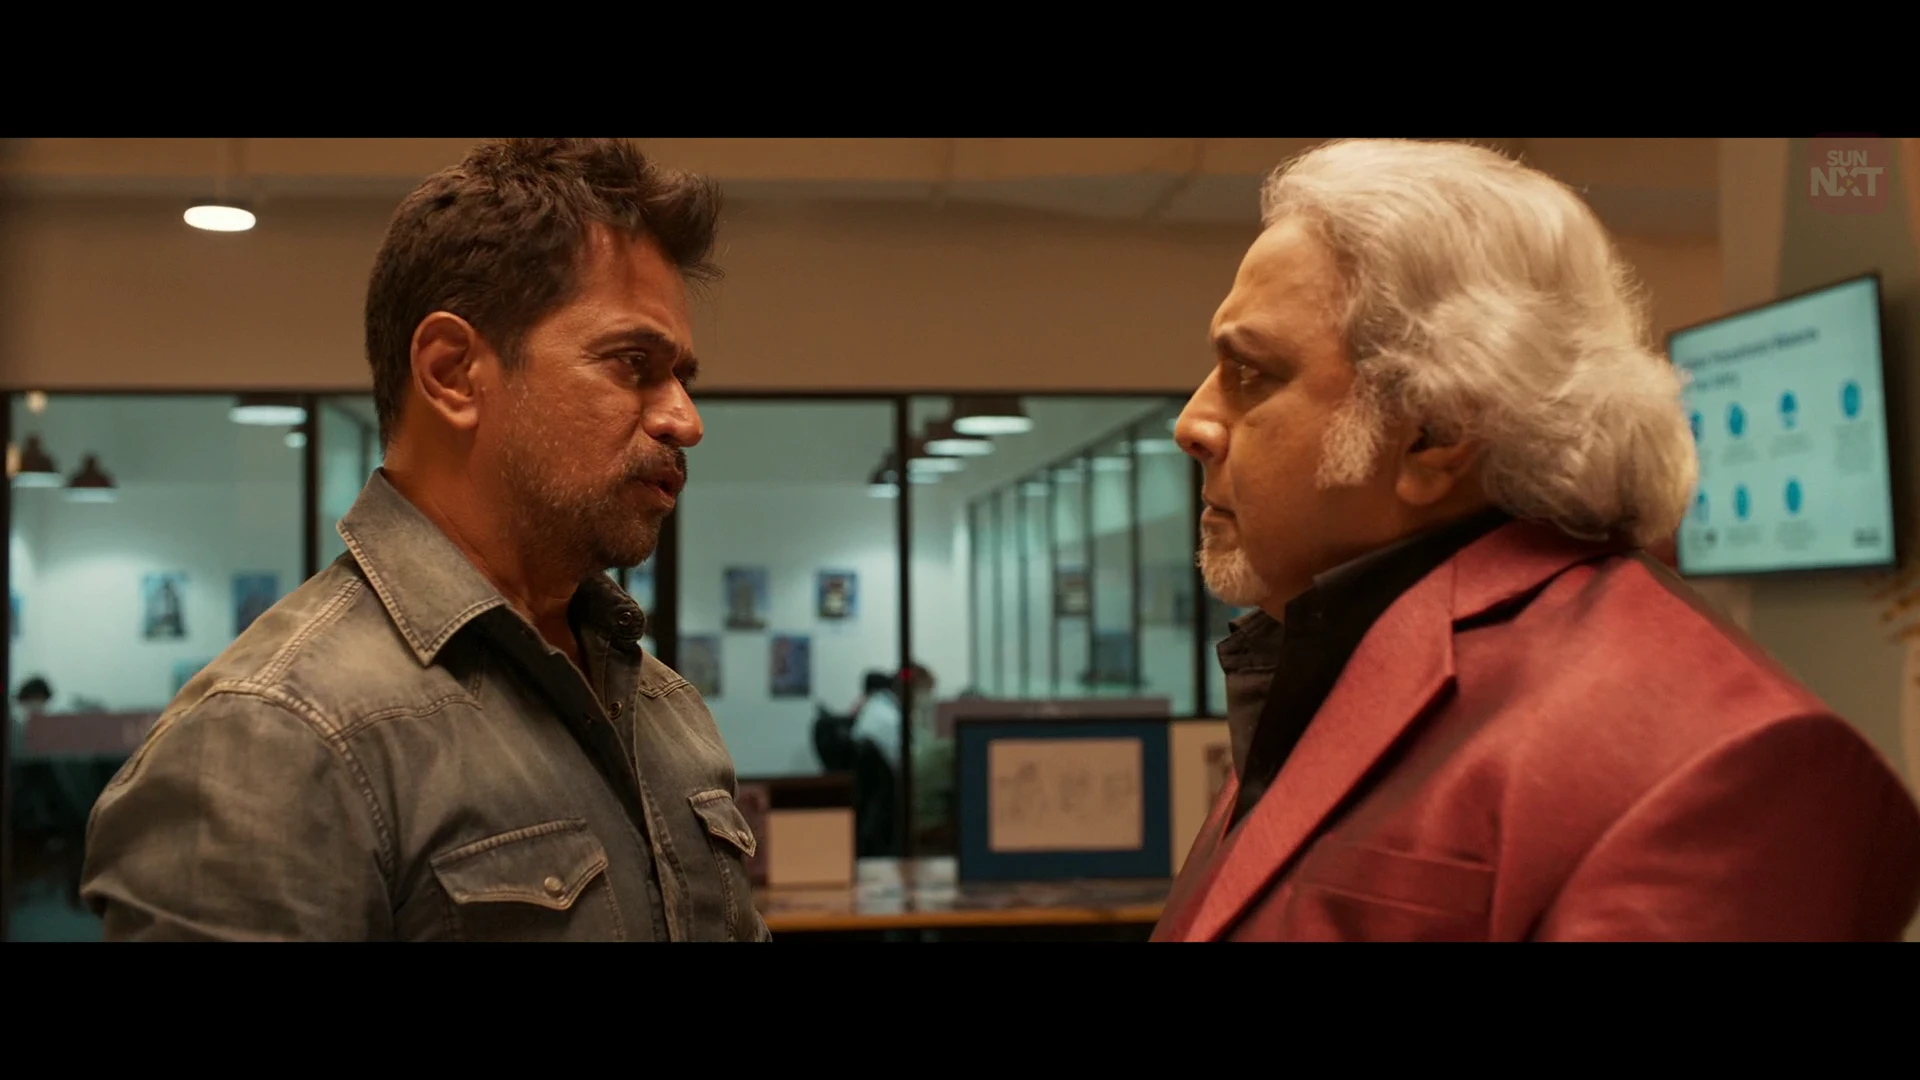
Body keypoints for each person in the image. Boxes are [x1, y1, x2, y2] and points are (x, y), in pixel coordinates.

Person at [1153, 138, 1920, 942]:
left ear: (1435, 435)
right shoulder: (1327, 646)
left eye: (1251, 373)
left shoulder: (1727, 764)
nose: (1192, 424)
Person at [82, 139, 769, 941]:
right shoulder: (273, 740)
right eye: (633, 363)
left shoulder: (666, 708)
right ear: (452, 371)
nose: (685, 419)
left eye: (683, 377)